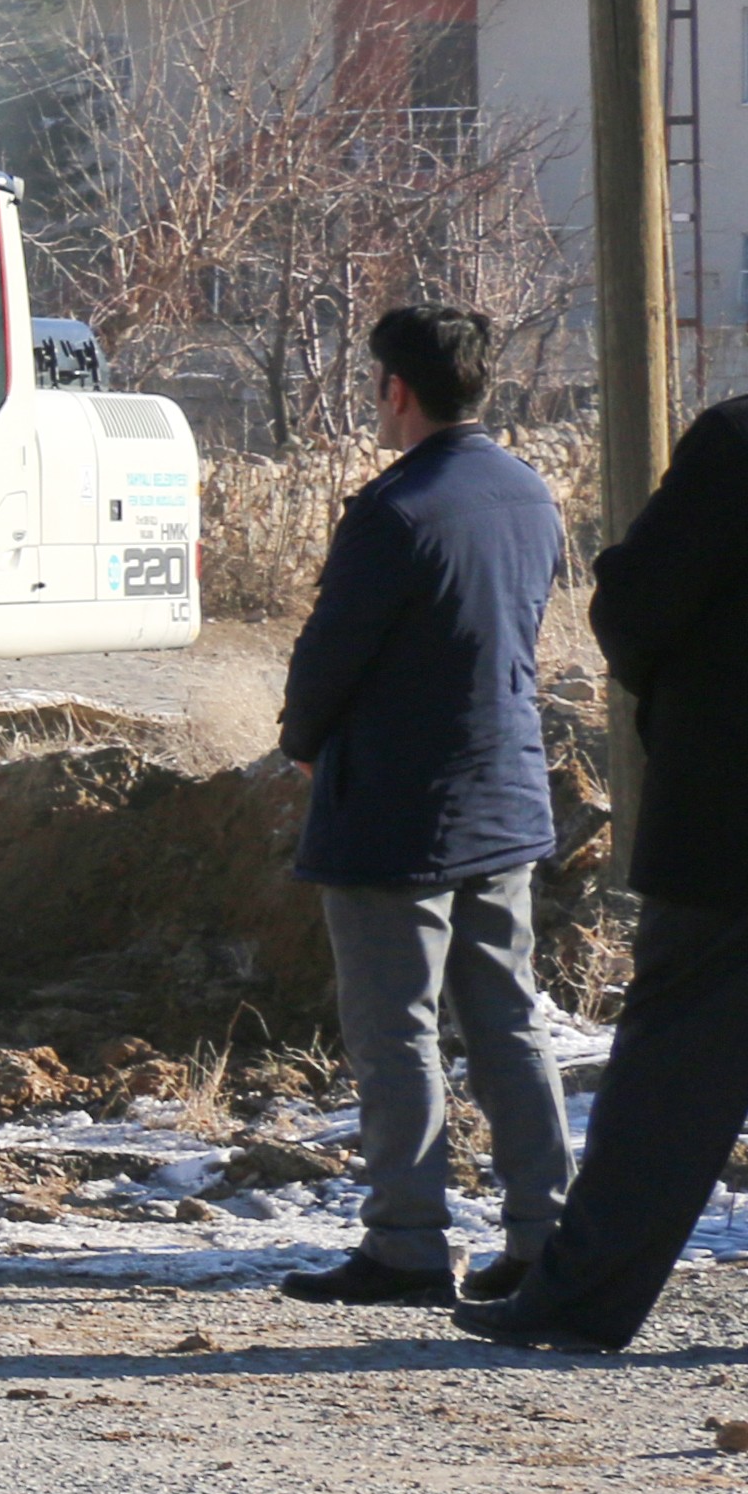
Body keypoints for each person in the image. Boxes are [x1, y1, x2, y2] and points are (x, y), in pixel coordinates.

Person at [458, 289, 748, 1354]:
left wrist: (671, 692)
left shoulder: (739, 442)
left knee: (670, 1083)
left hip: (736, 824)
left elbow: (632, 605)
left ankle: (580, 1301)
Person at [273, 305, 572, 1309]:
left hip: (396, 811)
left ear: (396, 388)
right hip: (508, 793)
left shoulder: (395, 510)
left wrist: (301, 743)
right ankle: (545, 1232)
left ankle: (407, 1242)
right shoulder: (530, 493)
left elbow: (328, 656)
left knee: (396, 1029)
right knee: (509, 1019)